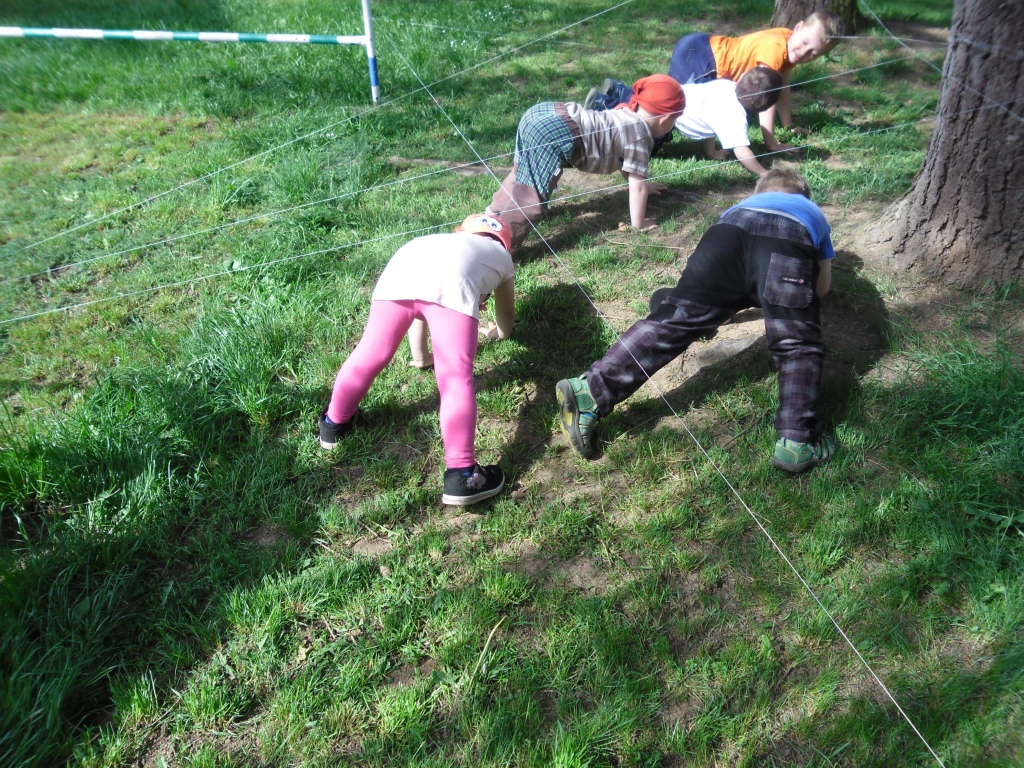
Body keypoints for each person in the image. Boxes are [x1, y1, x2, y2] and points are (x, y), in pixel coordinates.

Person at [554, 168, 836, 473]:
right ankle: (797, 442)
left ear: (759, 193)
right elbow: (821, 289)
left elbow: (742, 265)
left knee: (676, 318)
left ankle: (590, 390)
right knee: (796, 343)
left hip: (724, 236)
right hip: (787, 240)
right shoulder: (811, 212)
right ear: (804, 197)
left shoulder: (739, 207)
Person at [319, 214, 516, 506]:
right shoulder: (502, 257)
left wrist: (421, 357)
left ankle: (334, 424)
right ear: (504, 244)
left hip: (403, 263)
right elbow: (506, 316)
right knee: (454, 376)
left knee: (370, 353)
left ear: (460, 231)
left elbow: (421, 305)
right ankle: (462, 474)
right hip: (453, 280)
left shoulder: (441, 242)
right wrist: (499, 333)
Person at [587, 11, 841, 154]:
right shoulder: (775, 49)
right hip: (704, 59)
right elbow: (769, 98)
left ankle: (618, 93)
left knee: (668, 102)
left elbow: (782, 88)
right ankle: (610, 106)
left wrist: (788, 124)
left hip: (700, 48)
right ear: (798, 27)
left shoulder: (786, 40)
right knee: (670, 112)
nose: (804, 53)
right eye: (805, 43)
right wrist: (771, 143)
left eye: (813, 53)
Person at [486, 75, 684, 252]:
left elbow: (627, 164)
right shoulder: (640, 136)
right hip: (554, 131)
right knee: (531, 195)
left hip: (544, 112)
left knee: (522, 173)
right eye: (674, 120)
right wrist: (639, 224)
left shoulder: (626, 112)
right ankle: (499, 246)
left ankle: (492, 215)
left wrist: (645, 186)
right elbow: (636, 187)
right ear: (665, 119)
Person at [587, 67, 783, 175]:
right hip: (672, 115)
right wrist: (762, 172)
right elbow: (741, 150)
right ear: (763, 107)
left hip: (676, 95)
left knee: (640, 104)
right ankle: (603, 105)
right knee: (639, 131)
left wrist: (711, 151)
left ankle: (620, 91)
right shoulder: (734, 116)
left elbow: (710, 120)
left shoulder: (727, 85)